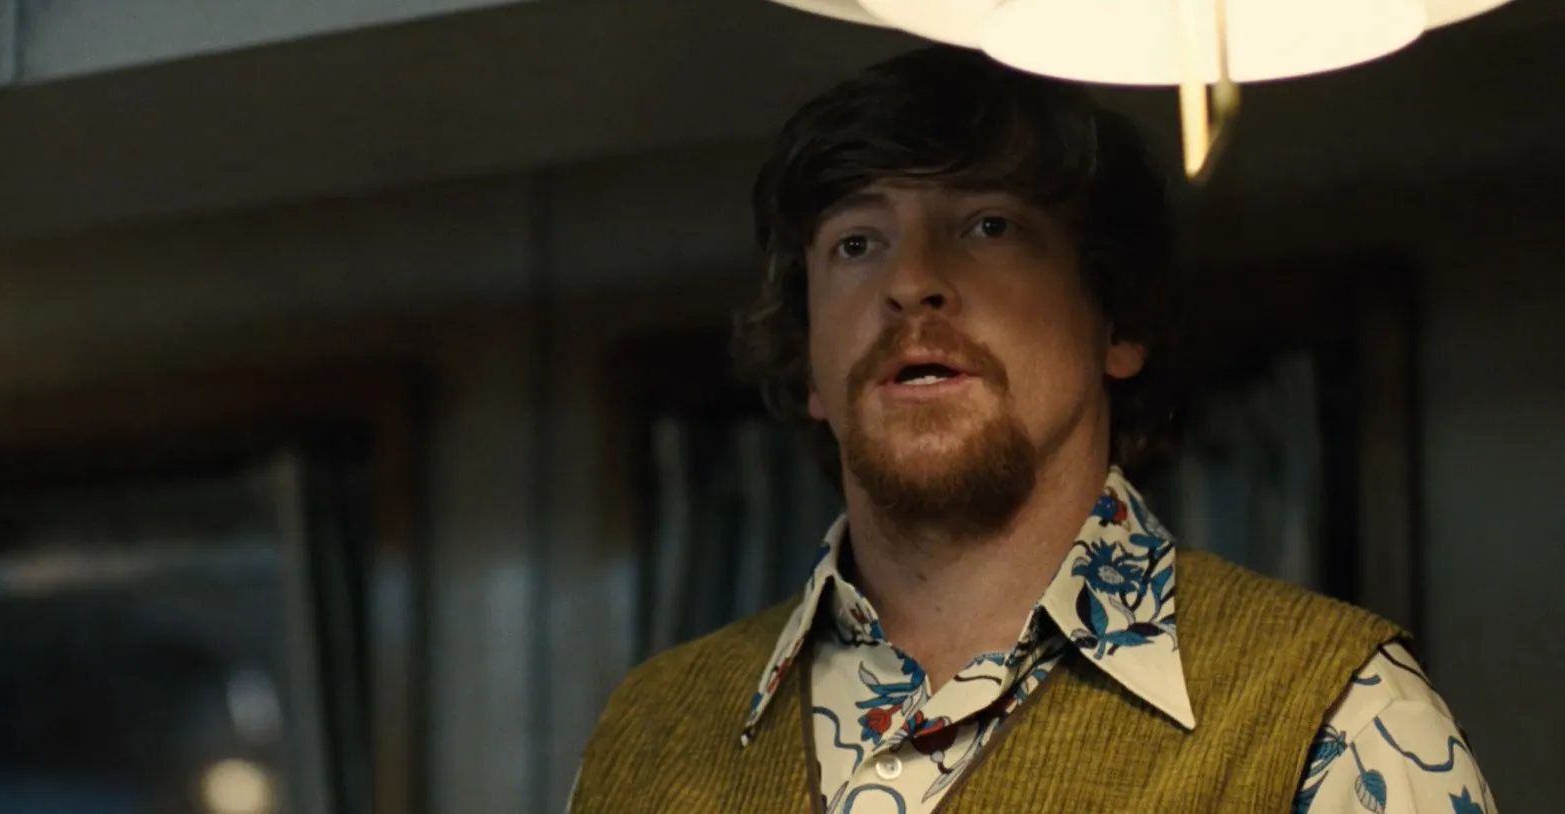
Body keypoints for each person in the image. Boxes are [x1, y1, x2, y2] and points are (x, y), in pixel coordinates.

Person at [568, 47, 1492, 813]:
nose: (912, 282)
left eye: (989, 226)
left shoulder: (1343, 720)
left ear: (1116, 323)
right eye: (857, 242)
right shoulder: (647, 734)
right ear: (810, 362)